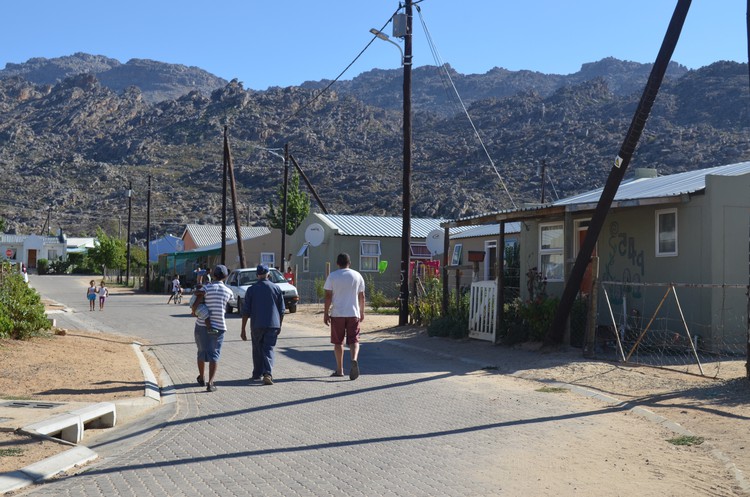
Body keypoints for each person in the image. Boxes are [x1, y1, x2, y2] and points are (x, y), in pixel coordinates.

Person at [241, 264, 285, 385]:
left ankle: (257, 373)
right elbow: (282, 310)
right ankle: (267, 373)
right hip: (273, 324)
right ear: (268, 275)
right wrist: (280, 325)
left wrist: (243, 329)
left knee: (257, 348)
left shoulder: (251, 289)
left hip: (256, 324)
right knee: (268, 348)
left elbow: (245, 311)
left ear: (257, 275)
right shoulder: (276, 288)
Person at [323, 253, 365, 380]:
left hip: (338, 314)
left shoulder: (333, 276)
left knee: (338, 342)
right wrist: (362, 312)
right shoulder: (357, 276)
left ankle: (340, 369)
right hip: (353, 313)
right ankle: (354, 359)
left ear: (337, 263)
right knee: (354, 340)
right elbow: (362, 296)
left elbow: (328, 296)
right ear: (349, 263)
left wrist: (326, 313)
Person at [192, 265, 233, 392]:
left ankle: (202, 377)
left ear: (214, 275)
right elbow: (230, 301)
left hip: (201, 325)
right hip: (219, 327)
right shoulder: (228, 291)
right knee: (214, 354)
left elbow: (196, 299)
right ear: (225, 276)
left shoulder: (206, 288)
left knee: (201, 352)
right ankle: (210, 383)